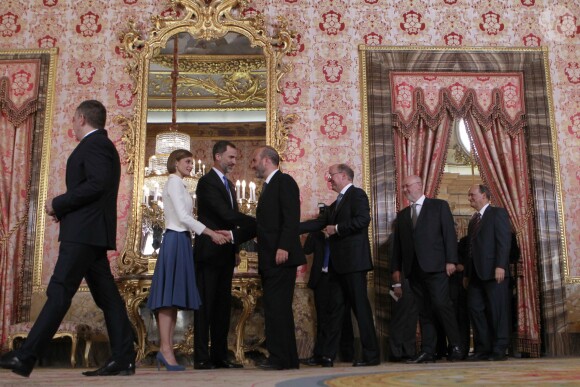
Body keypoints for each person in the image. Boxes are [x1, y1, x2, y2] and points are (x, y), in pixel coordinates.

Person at [0, 100, 136, 377]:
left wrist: (58, 204)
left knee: (59, 291)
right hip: (89, 232)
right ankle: (124, 357)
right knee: (108, 297)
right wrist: (66, 212)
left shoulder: (96, 144)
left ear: (82, 117)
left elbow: (96, 184)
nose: (72, 125)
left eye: (73, 119)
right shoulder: (100, 145)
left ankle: (26, 357)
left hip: (84, 234)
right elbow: (93, 189)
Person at [146, 149, 228, 371]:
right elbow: (183, 217)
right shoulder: (174, 182)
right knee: (167, 299)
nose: (191, 165)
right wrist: (210, 233)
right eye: (187, 162)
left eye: (192, 162)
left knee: (172, 299)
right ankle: (165, 349)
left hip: (181, 240)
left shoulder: (179, 183)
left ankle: (167, 349)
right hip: (175, 239)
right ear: (175, 163)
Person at [300, 164, 380, 367]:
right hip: (338, 267)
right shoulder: (336, 203)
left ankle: (371, 356)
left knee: (361, 310)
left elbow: (363, 220)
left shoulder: (357, 195)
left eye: (331, 176)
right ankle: (326, 355)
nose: (329, 180)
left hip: (353, 264)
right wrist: (290, 228)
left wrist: (336, 228)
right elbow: (318, 223)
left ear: (344, 176)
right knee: (334, 311)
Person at [193, 140, 256, 370]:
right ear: (218, 157)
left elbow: (234, 216)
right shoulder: (205, 182)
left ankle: (219, 356)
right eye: (231, 157)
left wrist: (237, 248)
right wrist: (257, 223)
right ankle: (201, 358)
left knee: (221, 307)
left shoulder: (229, 185)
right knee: (205, 307)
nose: (234, 161)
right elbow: (225, 214)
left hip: (226, 253)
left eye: (235, 157)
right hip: (208, 252)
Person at [391, 175, 462, 363]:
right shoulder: (403, 215)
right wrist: (396, 269)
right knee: (423, 311)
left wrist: (451, 261)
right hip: (414, 270)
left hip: (437, 267)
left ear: (419, 186)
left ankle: (456, 346)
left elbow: (449, 234)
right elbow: (398, 246)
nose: (405, 189)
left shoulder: (439, 206)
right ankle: (428, 350)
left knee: (441, 305)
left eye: (408, 186)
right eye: (403, 186)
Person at [250, 146, 305, 370]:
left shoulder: (284, 181)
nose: (252, 164)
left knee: (277, 309)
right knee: (277, 309)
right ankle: (287, 359)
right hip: (270, 258)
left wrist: (284, 247)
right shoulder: (269, 186)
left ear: (266, 160)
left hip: (280, 257)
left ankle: (280, 359)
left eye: (255, 160)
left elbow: (292, 217)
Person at [300, 205, 354, 367]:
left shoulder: (341, 232)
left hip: (338, 277)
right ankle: (319, 354)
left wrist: (332, 234)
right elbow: (307, 250)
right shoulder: (317, 233)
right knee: (322, 318)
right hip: (321, 279)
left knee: (338, 317)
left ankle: (331, 355)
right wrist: (316, 232)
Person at [464, 184, 512, 361]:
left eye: (472, 195)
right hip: (475, 274)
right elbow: (471, 249)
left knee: (498, 311)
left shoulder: (497, 213)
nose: (470, 198)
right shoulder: (473, 220)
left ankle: (499, 349)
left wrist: (501, 265)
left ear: (484, 195)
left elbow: (504, 241)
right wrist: (467, 274)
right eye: (469, 196)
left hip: (495, 272)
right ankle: (482, 349)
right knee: (475, 309)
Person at [388, 223, 417, 362]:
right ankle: (396, 352)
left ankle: (409, 351)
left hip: (413, 284)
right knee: (400, 319)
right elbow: (394, 263)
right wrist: (396, 284)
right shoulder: (395, 237)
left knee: (411, 319)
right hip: (401, 284)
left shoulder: (412, 237)